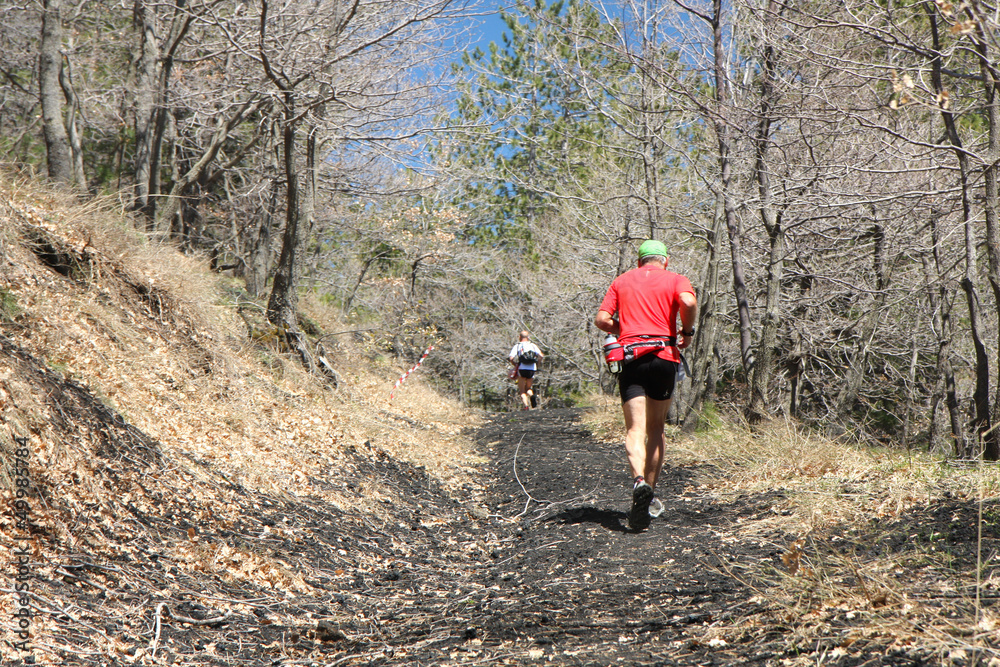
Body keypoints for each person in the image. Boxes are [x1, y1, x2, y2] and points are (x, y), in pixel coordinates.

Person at [594, 240, 697, 531]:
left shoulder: (622, 281)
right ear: (665, 260)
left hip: (631, 359)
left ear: (640, 261)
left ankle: (638, 480)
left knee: (634, 430)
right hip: (664, 356)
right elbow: (688, 302)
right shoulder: (676, 279)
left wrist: (624, 329)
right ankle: (649, 492)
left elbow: (602, 319)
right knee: (656, 429)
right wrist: (686, 332)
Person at [508, 331, 544, 410]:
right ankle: (532, 395)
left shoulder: (517, 346)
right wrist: (537, 364)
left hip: (522, 369)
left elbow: (511, 358)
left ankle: (526, 406)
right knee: (528, 388)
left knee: (522, 390)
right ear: (528, 337)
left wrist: (515, 364)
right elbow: (541, 355)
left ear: (520, 337)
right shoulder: (533, 345)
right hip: (532, 369)